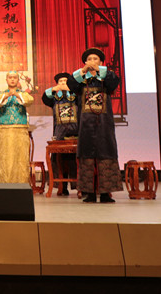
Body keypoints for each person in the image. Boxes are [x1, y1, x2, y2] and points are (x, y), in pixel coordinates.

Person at [67, 48, 123, 203]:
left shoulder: (106, 78)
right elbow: (71, 85)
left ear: (101, 62)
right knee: (87, 156)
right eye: (89, 59)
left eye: (95, 59)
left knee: (106, 153)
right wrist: (82, 71)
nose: (92, 61)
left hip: (104, 124)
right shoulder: (81, 80)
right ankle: (89, 193)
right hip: (86, 125)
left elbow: (114, 82)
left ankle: (105, 193)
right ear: (85, 62)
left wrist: (100, 71)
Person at [0, 71, 34, 184]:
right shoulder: (1, 94)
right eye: (10, 77)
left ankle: (22, 183)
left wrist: (16, 94)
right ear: (6, 80)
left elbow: (29, 101)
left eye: (14, 77)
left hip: (20, 130)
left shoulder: (23, 94)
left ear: (18, 80)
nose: (12, 79)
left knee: (21, 158)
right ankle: (5, 183)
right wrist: (7, 95)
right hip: (5, 131)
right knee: (6, 158)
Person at [42, 72, 80, 194]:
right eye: (61, 82)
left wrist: (72, 88)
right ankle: (61, 187)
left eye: (65, 81)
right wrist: (54, 89)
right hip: (59, 132)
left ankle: (79, 186)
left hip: (75, 131)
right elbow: (45, 98)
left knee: (75, 160)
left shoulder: (76, 96)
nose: (63, 83)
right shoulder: (54, 98)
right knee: (59, 160)